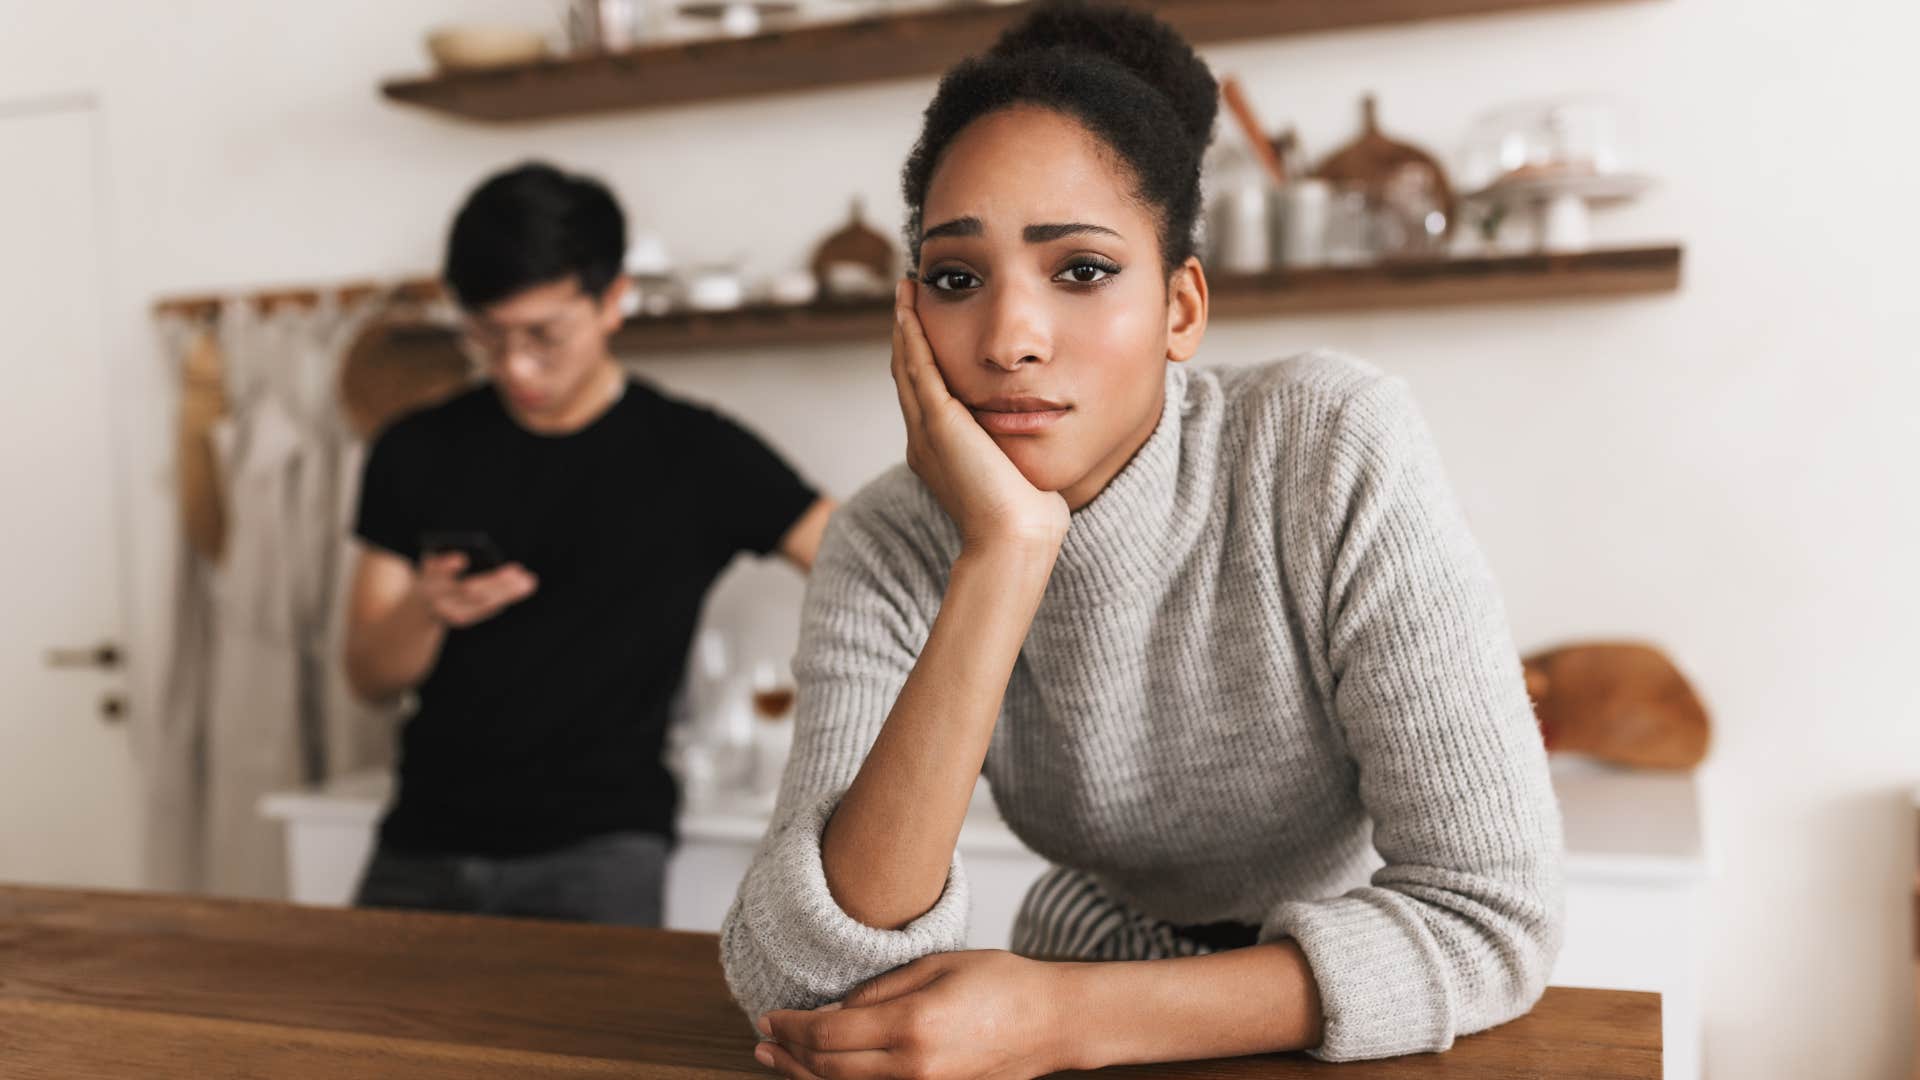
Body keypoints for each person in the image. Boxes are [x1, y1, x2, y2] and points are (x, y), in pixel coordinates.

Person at [720, 3, 1563, 1073]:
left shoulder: (1327, 445)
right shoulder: (891, 538)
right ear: (910, 315)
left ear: (1181, 306)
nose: (1010, 340)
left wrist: (1062, 1019)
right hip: (1093, 953)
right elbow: (807, 989)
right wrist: (1006, 556)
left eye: (1080, 270)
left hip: (1349, 1009)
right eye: (956, 278)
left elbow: (1492, 917)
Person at [344, 162, 833, 926]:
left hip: (600, 854)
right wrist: (426, 610)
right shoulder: (415, 450)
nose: (515, 366)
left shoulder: (697, 454)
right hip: (421, 843)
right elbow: (368, 674)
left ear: (613, 301)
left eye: (544, 335)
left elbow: (856, 565)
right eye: (487, 336)